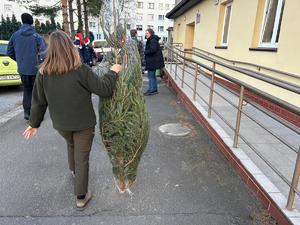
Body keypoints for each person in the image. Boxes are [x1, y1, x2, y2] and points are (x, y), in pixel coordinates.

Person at [22, 31, 122, 209]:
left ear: (50, 49)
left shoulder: (44, 72)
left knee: (71, 145)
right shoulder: (80, 69)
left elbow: (38, 101)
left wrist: (33, 124)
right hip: (83, 124)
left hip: (61, 124)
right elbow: (104, 89)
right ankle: (81, 196)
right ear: (70, 47)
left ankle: (75, 172)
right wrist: (113, 73)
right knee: (82, 157)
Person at [7, 13, 47, 120]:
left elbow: (9, 52)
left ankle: (27, 112)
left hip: (22, 69)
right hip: (36, 69)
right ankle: (36, 113)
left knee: (27, 90)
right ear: (32, 22)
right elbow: (44, 53)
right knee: (37, 91)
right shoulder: (37, 36)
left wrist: (20, 60)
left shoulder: (15, 35)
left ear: (22, 21)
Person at [144, 28, 164, 96]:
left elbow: (152, 50)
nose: (146, 34)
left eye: (147, 33)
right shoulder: (152, 40)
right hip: (153, 61)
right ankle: (153, 89)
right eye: (146, 33)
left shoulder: (152, 40)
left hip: (153, 61)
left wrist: (145, 52)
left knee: (151, 76)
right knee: (152, 76)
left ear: (150, 33)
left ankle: (152, 90)